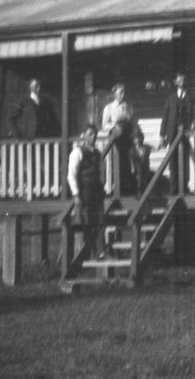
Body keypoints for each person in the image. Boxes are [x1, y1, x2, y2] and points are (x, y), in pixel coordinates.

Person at [67, 124, 105, 259]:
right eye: (90, 134)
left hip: (97, 190)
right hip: (85, 190)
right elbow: (71, 174)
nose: (93, 137)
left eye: (95, 134)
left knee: (100, 221)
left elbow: (100, 171)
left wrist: (102, 186)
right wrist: (76, 193)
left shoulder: (97, 153)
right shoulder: (77, 152)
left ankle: (101, 251)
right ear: (84, 136)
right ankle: (91, 252)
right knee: (87, 221)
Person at [160, 72, 195, 193]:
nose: (182, 82)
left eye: (183, 80)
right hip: (172, 133)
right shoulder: (170, 98)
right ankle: (174, 189)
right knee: (173, 161)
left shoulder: (190, 97)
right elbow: (165, 117)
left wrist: (194, 122)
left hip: (185, 132)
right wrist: (162, 135)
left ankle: (184, 187)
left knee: (184, 159)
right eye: (179, 80)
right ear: (175, 82)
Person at [101, 83, 136, 196]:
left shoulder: (128, 107)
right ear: (114, 94)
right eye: (120, 93)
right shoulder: (109, 108)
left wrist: (134, 133)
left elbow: (133, 122)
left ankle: (129, 189)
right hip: (116, 138)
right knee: (117, 162)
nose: (123, 95)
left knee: (129, 162)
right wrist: (113, 127)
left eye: (124, 92)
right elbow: (104, 125)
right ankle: (117, 189)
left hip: (127, 137)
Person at [130, 127, 154, 196]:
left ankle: (145, 190)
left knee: (145, 174)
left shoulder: (146, 147)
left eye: (138, 138)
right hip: (136, 169)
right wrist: (132, 168)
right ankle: (139, 190)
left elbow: (153, 149)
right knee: (139, 171)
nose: (137, 140)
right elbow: (131, 160)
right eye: (135, 139)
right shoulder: (132, 149)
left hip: (145, 167)